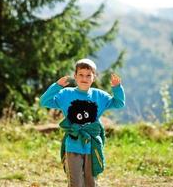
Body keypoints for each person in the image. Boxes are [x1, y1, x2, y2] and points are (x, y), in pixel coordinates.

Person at [40, 58, 125, 187]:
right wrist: (56, 86)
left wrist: (117, 88)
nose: (84, 78)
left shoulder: (99, 96)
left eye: (88, 75)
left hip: (92, 145)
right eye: (81, 75)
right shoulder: (65, 94)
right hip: (73, 144)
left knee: (91, 182)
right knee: (76, 182)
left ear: (94, 78)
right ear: (75, 76)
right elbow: (44, 101)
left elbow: (118, 103)